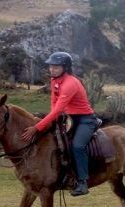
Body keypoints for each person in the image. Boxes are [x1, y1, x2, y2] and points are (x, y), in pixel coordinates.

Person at [21, 52, 97, 197]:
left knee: (77, 146)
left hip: (84, 119)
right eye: (51, 66)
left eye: (56, 67)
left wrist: (37, 127)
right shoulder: (55, 81)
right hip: (68, 118)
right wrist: (50, 121)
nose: (52, 69)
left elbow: (58, 109)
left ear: (65, 67)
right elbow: (54, 103)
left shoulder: (70, 83)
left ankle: (82, 182)